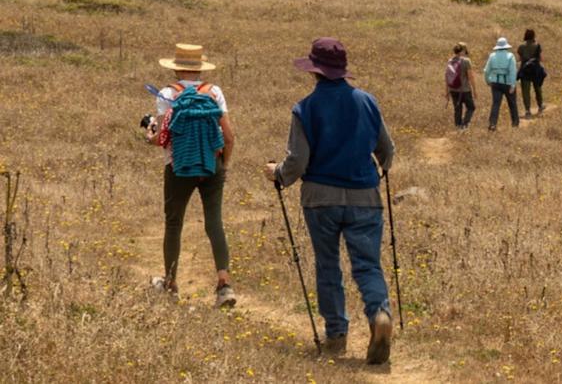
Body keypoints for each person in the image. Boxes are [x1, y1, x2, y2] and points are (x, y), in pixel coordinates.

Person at [265, 38, 395, 364]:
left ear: (314, 71)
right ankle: (379, 315)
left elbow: (297, 163)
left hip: (320, 199)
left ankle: (336, 335)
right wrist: (378, 173)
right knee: (367, 265)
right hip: (365, 196)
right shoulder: (368, 102)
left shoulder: (305, 108)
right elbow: (387, 151)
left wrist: (277, 173)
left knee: (328, 266)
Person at [148, 44, 237, 309]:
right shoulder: (214, 92)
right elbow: (229, 137)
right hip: (212, 165)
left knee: (174, 223)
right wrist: (223, 165)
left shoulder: (167, 94)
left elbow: (162, 138)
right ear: (199, 69)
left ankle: (171, 283)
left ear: (175, 68)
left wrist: (148, 133)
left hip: (178, 167)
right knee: (214, 223)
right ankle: (224, 284)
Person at [484, 37, 519, 131]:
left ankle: (492, 124)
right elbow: (513, 71)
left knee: (495, 104)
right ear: (506, 46)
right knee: (512, 103)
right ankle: (515, 123)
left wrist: (488, 81)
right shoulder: (510, 56)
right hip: (507, 82)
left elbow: (486, 71)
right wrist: (512, 85)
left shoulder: (492, 56)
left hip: (495, 82)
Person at [445, 43, 477, 130]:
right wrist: (474, 90)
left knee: (457, 109)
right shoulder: (466, 61)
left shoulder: (450, 61)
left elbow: (447, 77)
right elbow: (471, 77)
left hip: (453, 89)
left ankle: (457, 127)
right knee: (471, 107)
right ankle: (464, 125)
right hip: (465, 90)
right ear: (462, 51)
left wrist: (447, 91)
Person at [516, 29, 546, 118]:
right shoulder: (537, 45)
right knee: (538, 88)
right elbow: (541, 58)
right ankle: (540, 105)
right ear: (533, 36)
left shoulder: (521, 46)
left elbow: (519, 59)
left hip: (525, 71)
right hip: (535, 70)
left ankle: (527, 110)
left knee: (525, 91)